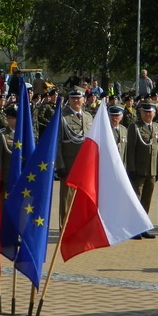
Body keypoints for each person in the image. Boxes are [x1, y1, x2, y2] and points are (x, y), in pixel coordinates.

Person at [55, 88, 93, 227]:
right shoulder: (62, 117)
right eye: (73, 98)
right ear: (69, 100)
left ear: (84, 99)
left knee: (83, 198)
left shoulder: (89, 117)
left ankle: (81, 227)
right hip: (69, 164)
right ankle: (64, 228)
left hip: (86, 166)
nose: (76, 101)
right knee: (67, 198)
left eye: (79, 98)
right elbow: (57, 144)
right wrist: (60, 165)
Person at [126, 101, 158, 239]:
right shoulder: (134, 127)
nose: (148, 114)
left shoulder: (157, 127)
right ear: (141, 113)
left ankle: (142, 227)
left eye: (150, 111)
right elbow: (130, 150)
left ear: (154, 113)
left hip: (152, 170)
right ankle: (133, 228)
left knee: (146, 200)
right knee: (137, 200)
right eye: (145, 112)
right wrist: (132, 169)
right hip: (139, 170)